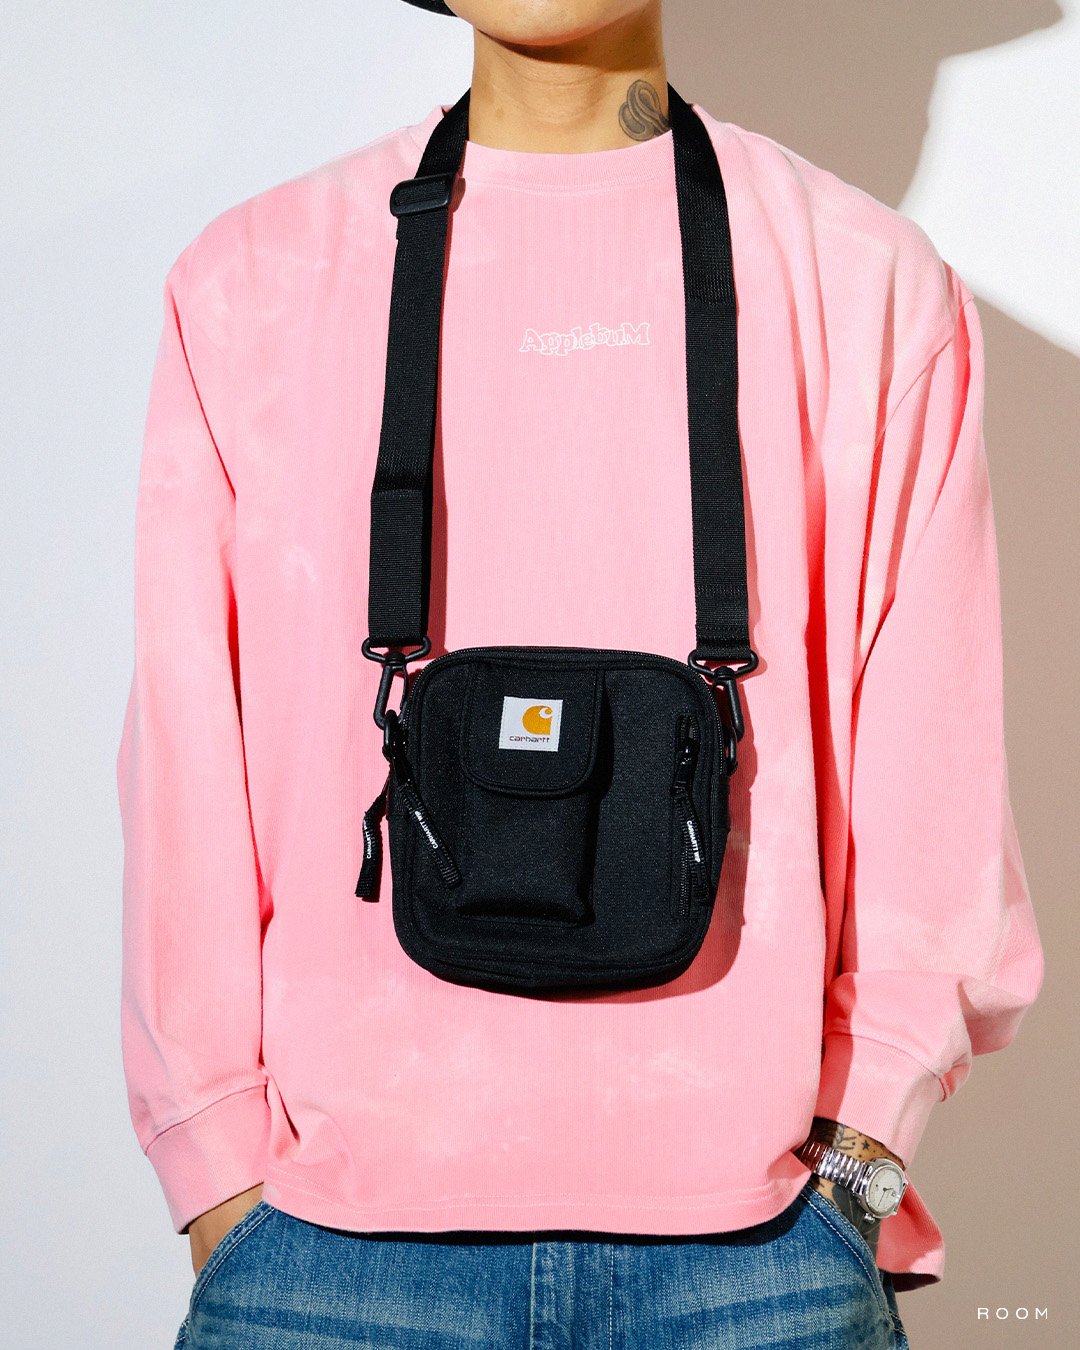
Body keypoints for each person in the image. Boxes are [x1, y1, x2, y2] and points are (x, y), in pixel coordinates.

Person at [117, 1, 1044, 1346]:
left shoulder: (867, 281)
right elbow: (186, 754)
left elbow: (935, 781)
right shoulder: (252, 278)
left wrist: (860, 1161)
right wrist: (217, 1174)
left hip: (762, 1256)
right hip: (323, 1250)